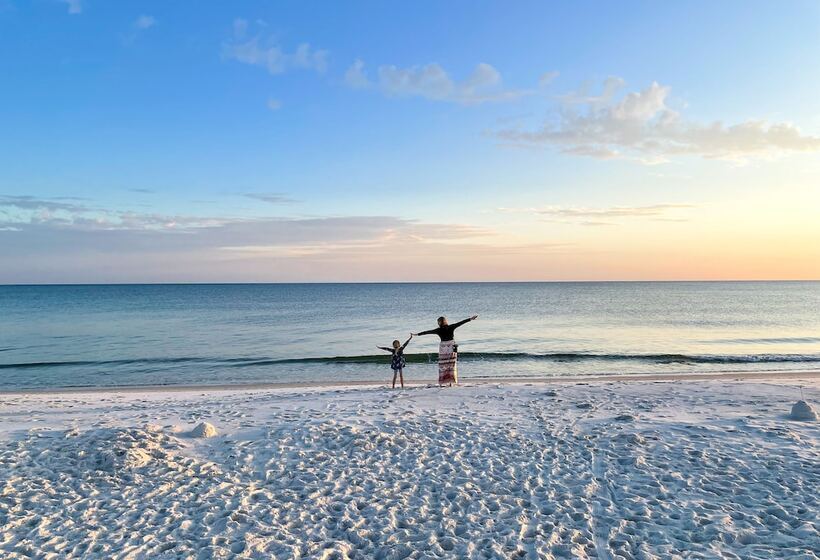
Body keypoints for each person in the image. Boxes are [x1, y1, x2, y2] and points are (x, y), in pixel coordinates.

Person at [414, 315, 478, 387]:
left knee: (443, 364)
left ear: (439, 323)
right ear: (445, 321)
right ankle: (451, 382)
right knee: (451, 363)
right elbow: (460, 323)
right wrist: (470, 319)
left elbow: (428, 332)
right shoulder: (451, 327)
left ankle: (442, 382)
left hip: (443, 347)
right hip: (451, 346)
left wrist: (417, 334)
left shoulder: (438, 330)